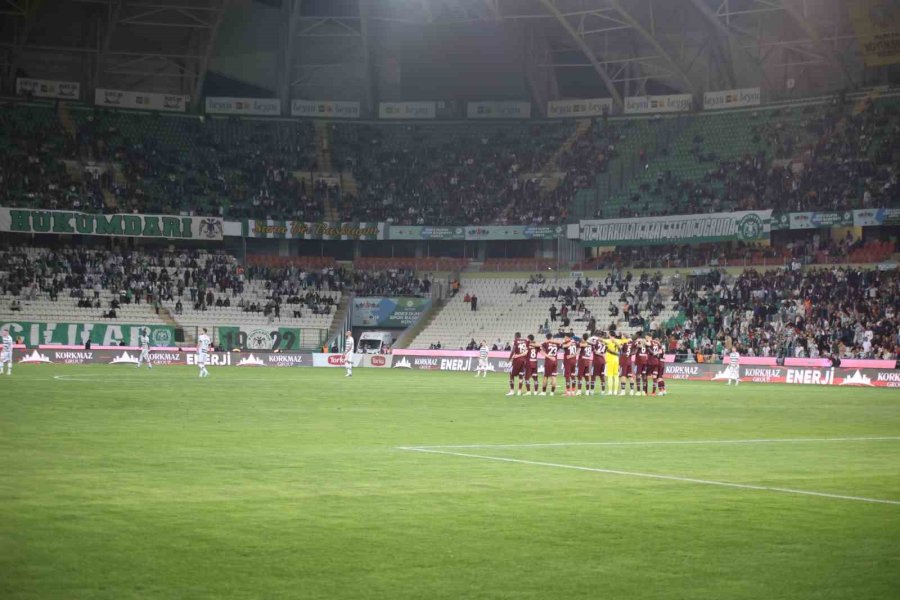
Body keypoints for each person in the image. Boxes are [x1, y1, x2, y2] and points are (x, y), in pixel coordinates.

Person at [604, 325, 621, 396]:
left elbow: (606, 348)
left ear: (610, 335)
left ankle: (610, 391)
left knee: (610, 376)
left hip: (610, 360)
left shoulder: (608, 341)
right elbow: (620, 348)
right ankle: (615, 391)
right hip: (616, 360)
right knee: (616, 376)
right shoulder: (618, 341)